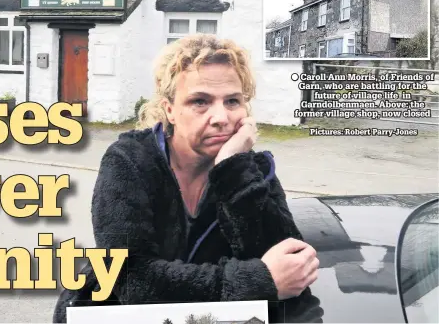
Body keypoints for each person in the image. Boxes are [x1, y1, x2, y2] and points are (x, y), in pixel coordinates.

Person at [52, 34, 319, 322]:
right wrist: (257, 281)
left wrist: (232, 169)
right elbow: (131, 278)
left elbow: (292, 267)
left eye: (232, 101)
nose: (221, 117)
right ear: (170, 110)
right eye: (200, 101)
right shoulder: (130, 160)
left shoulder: (252, 171)